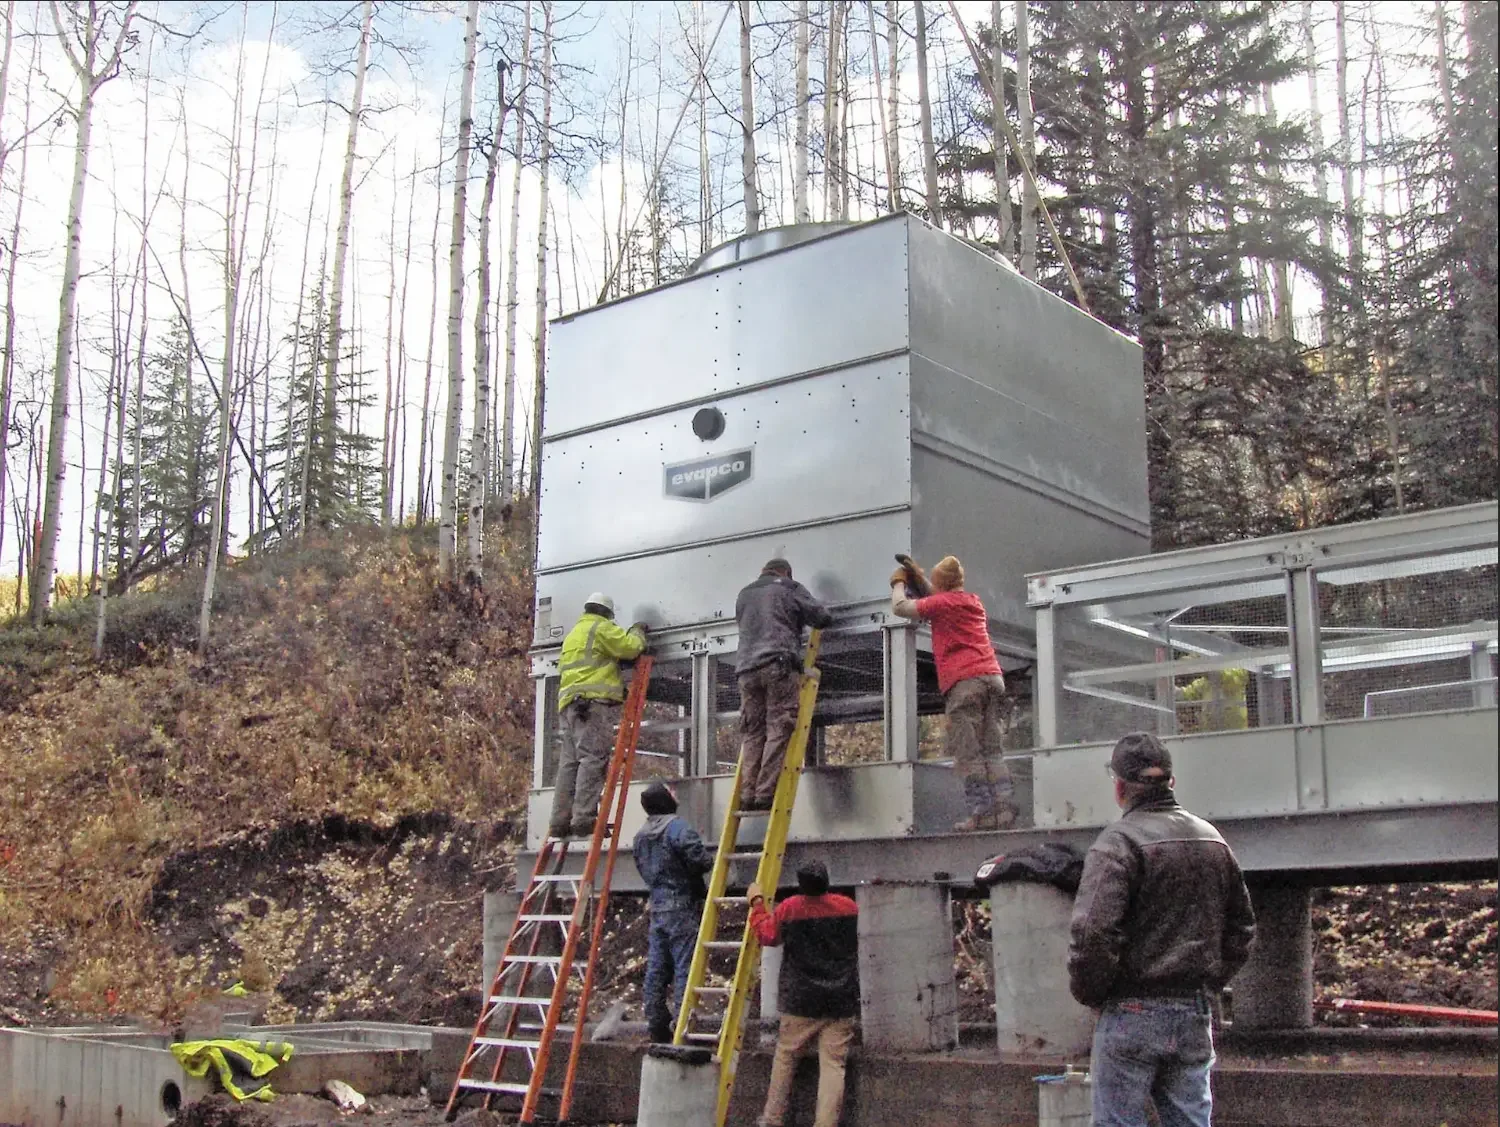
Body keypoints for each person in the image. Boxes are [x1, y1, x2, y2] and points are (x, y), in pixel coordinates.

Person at [1068, 732, 1257, 1127]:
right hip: (1194, 1009)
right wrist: (1207, 982)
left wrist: (1093, 994)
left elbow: (1093, 934)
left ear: (1120, 787)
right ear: (1171, 782)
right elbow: (1241, 929)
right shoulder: (1213, 841)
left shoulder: (1117, 844)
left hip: (1131, 1008)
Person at [889, 555, 1019, 831]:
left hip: (964, 682)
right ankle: (1004, 810)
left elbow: (901, 607)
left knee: (968, 752)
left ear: (942, 584)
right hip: (992, 678)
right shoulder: (972, 601)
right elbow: (939, 596)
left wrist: (899, 582)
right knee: (991, 748)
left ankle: (981, 814)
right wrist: (919, 575)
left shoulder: (942, 603)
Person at [747, 859, 859, 1127]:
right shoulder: (849, 907)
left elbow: (767, 935)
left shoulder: (790, 909)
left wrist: (757, 903)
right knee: (833, 1065)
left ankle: (772, 1119)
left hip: (800, 1001)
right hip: (840, 1000)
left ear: (801, 885)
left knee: (786, 1056)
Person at [734, 559, 833, 810]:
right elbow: (821, 618)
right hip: (777, 664)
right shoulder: (789, 587)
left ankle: (747, 795)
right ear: (786, 572)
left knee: (754, 731)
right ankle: (765, 794)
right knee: (779, 726)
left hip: (745, 670)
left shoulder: (744, 593)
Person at [548, 593, 649, 838]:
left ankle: (559, 821)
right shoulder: (601, 628)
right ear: (607, 613)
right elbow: (631, 648)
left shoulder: (575, 633)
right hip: (590, 705)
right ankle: (583, 819)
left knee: (569, 764)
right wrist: (637, 630)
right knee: (593, 759)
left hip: (570, 705)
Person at [631, 780, 714, 1043]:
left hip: (657, 906)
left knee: (656, 966)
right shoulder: (677, 827)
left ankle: (656, 1022)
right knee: (684, 967)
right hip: (682, 906)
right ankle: (684, 1025)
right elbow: (700, 860)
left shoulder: (640, 835)